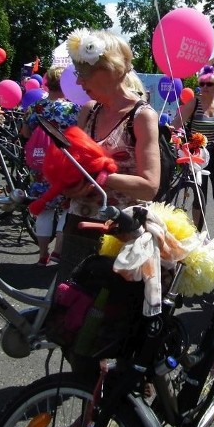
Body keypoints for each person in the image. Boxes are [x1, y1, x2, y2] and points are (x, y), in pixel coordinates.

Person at [59, 28, 161, 280]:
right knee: (64, 304)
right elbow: (73, 168)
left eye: (83, 73)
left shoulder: (141, 116)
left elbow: (149, 187)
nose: (79, 82)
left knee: (103, 313)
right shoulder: (89, 110)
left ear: (108, 70)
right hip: (77, 224)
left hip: (118, 233)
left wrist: (98, 176)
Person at [20, 67, 80, 265]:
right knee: (65, 208)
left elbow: (25, 133)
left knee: (43, 210)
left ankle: (42, 255)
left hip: (41, 165)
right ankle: (58, 251)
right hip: (65, 164)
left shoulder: (36, 106)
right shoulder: (74, 109)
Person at [171, 65, 214, 236]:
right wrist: (173, 136)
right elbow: (176, 123)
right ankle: (196, 235)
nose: (204, 87)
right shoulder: (194, 103)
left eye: (209, 84)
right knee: (199, 196)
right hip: (197, 155)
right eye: (202, 84)